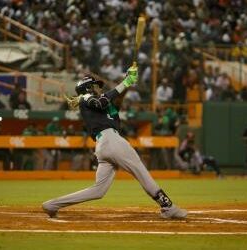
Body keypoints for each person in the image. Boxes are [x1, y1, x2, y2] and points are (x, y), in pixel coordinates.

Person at [42, 66, 187, 219]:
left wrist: (128, 82)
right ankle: (167, 206)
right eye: (96, 86)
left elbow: (115, 102)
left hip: (104, 145)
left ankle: (51, 205)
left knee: (98, 191)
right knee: (141, 172)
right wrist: (125, 81)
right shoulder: (86, 98)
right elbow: (102, 102)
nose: (99, 89)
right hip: (111, 141)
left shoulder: (99, 105)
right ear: (88, 87)